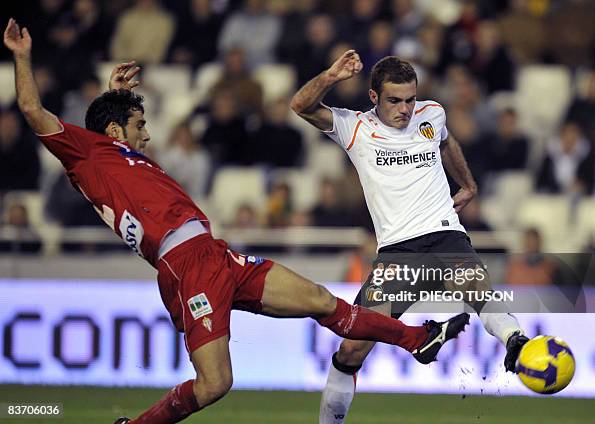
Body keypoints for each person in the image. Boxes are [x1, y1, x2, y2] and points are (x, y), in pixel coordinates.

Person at [3, 19, 470, 424]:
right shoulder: (89, 156)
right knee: (215, 384)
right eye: (138, 126)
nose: (146, 135)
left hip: (215, 252)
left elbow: (114, 132)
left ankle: (416, 339)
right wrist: (23, 57)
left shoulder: (114, 154)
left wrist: (118, 94)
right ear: (111, 133)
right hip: (185, 264)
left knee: (320, 300)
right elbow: (32, 110)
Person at [290, 51, 529, 424]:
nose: (405, 109)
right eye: (394, 101)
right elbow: (301, 105)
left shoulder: (431, 113)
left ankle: (516, 339)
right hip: (397, 255)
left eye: (410, 99)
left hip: (443, 233)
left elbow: (447, 144)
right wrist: (331, 76)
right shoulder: (353, 127)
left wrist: (466, 184)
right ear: (374, 98)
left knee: (476, 288)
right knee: (352, 349)